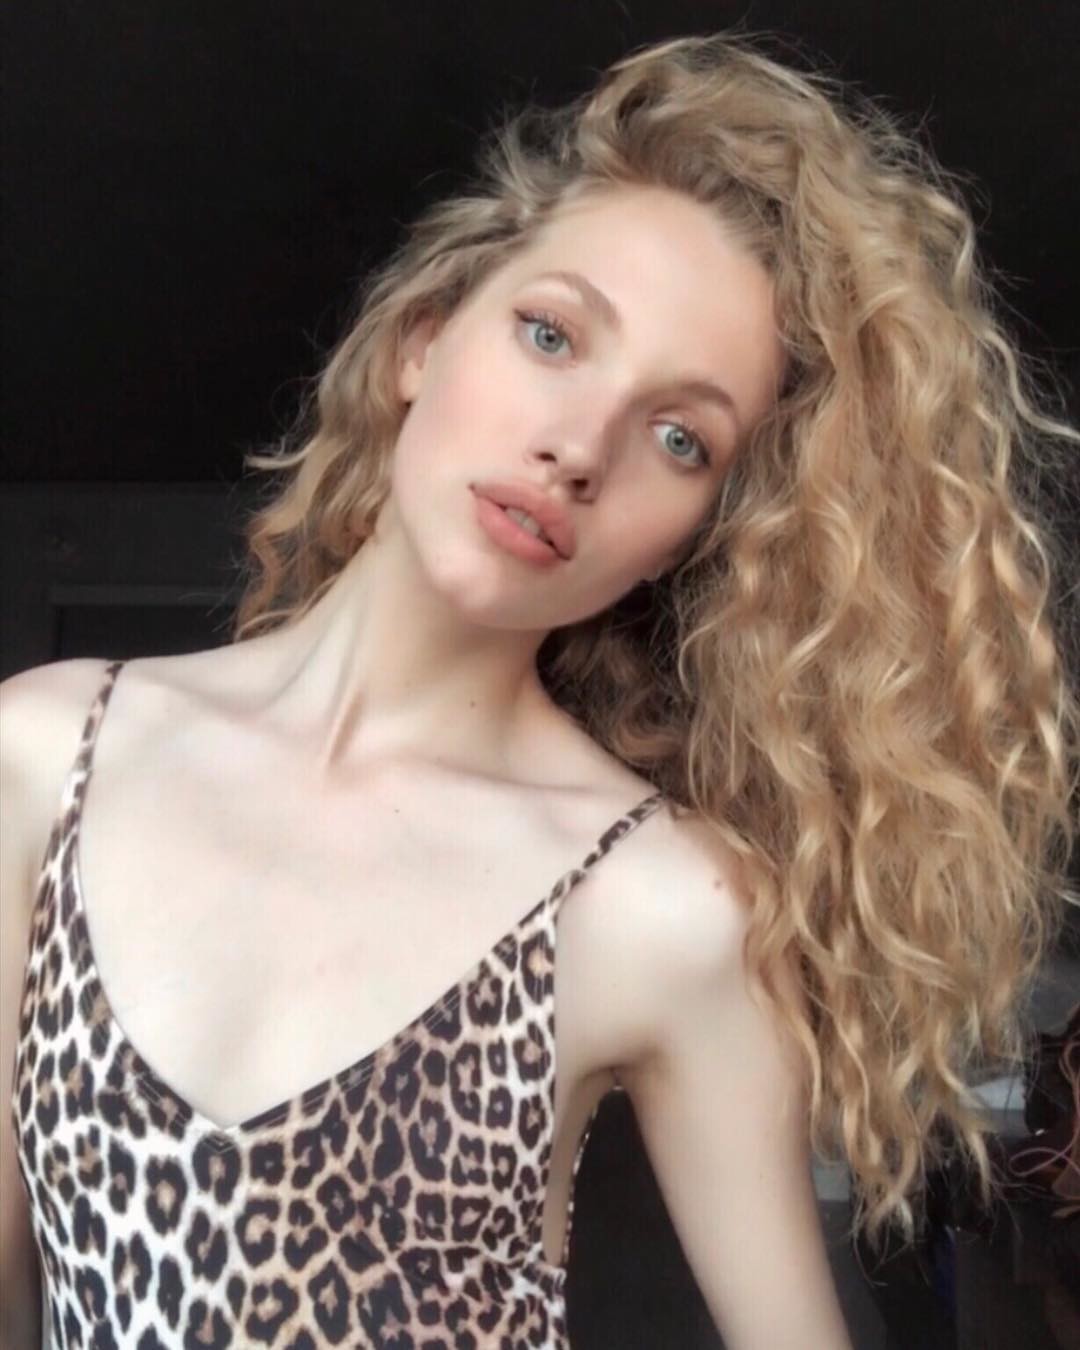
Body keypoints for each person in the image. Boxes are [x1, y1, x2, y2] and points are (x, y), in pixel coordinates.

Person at [2, 29, 1077, 1350]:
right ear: (422, 342)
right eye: (553, 334)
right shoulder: (47, 757)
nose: (581, 447)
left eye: (679, 437)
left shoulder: (656, 901)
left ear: (691, 538)